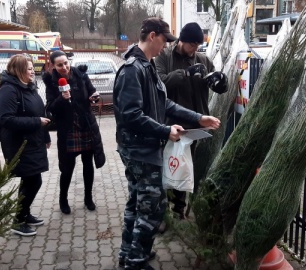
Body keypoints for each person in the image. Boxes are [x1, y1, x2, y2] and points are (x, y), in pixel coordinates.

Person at [114, 17, 221, 270]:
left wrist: (198, 118)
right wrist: (165, 131)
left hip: (144, 146)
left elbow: (165, 104)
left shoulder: (147, 66)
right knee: (153, 207)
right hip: (140, 149)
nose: (166, 46)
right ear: (152, 36)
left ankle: (128, 253)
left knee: (136, 202)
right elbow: (131, 116)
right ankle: (136, 262)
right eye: (164, 40)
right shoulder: (133, 69)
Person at [155, 22, 228, 219]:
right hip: (172, 124)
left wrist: (220, 83)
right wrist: (185, 74)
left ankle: (178, 210)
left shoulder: (203, 59)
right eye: (192, 45)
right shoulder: (164, 57)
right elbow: (160, 84)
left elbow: (218, 87)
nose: (195, 49)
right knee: (168, 165)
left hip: (196, 124)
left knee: (185, 167)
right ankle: (162, 213)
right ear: (182, 41)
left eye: (198, 45)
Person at [43, 50, 105, 215]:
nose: (64, 67)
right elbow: (50, 108)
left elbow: (92, 92)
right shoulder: (52, 82)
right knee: (67, 168)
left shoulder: (81, 75)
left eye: (65, 63)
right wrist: (61, 98)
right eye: (59, 65)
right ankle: (63, 199)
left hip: (86, 126)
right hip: (68, 129)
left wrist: (94, 97)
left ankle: (88, 198)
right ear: (53, 66)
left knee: (88, 164)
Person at [0, 54, 51, 236]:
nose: (32, 71)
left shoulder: (28, 87)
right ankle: (18, 220)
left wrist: (45, 137)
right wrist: (37, 122)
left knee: (30, 180)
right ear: (19, 70)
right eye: (28, 69)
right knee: (33, 180)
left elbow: (38, 112)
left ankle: (24, 214)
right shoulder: (9, 90)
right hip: (19, 144)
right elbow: (6, 119)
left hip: (33, 141)